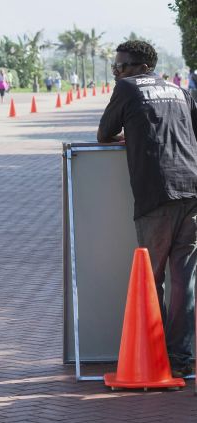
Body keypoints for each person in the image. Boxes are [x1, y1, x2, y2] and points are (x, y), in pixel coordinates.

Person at [97, 40, 197, 378]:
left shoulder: (127, 89)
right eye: (115, 67)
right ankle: (181, 360)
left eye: (121, 66)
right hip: (192, 190)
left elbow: (104, 134)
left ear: (141, 67)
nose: (117, 72)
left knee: (151, 279)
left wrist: (130, 136)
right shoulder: (177, 89)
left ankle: (153, 357)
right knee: (185, 280)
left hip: (157, 194)